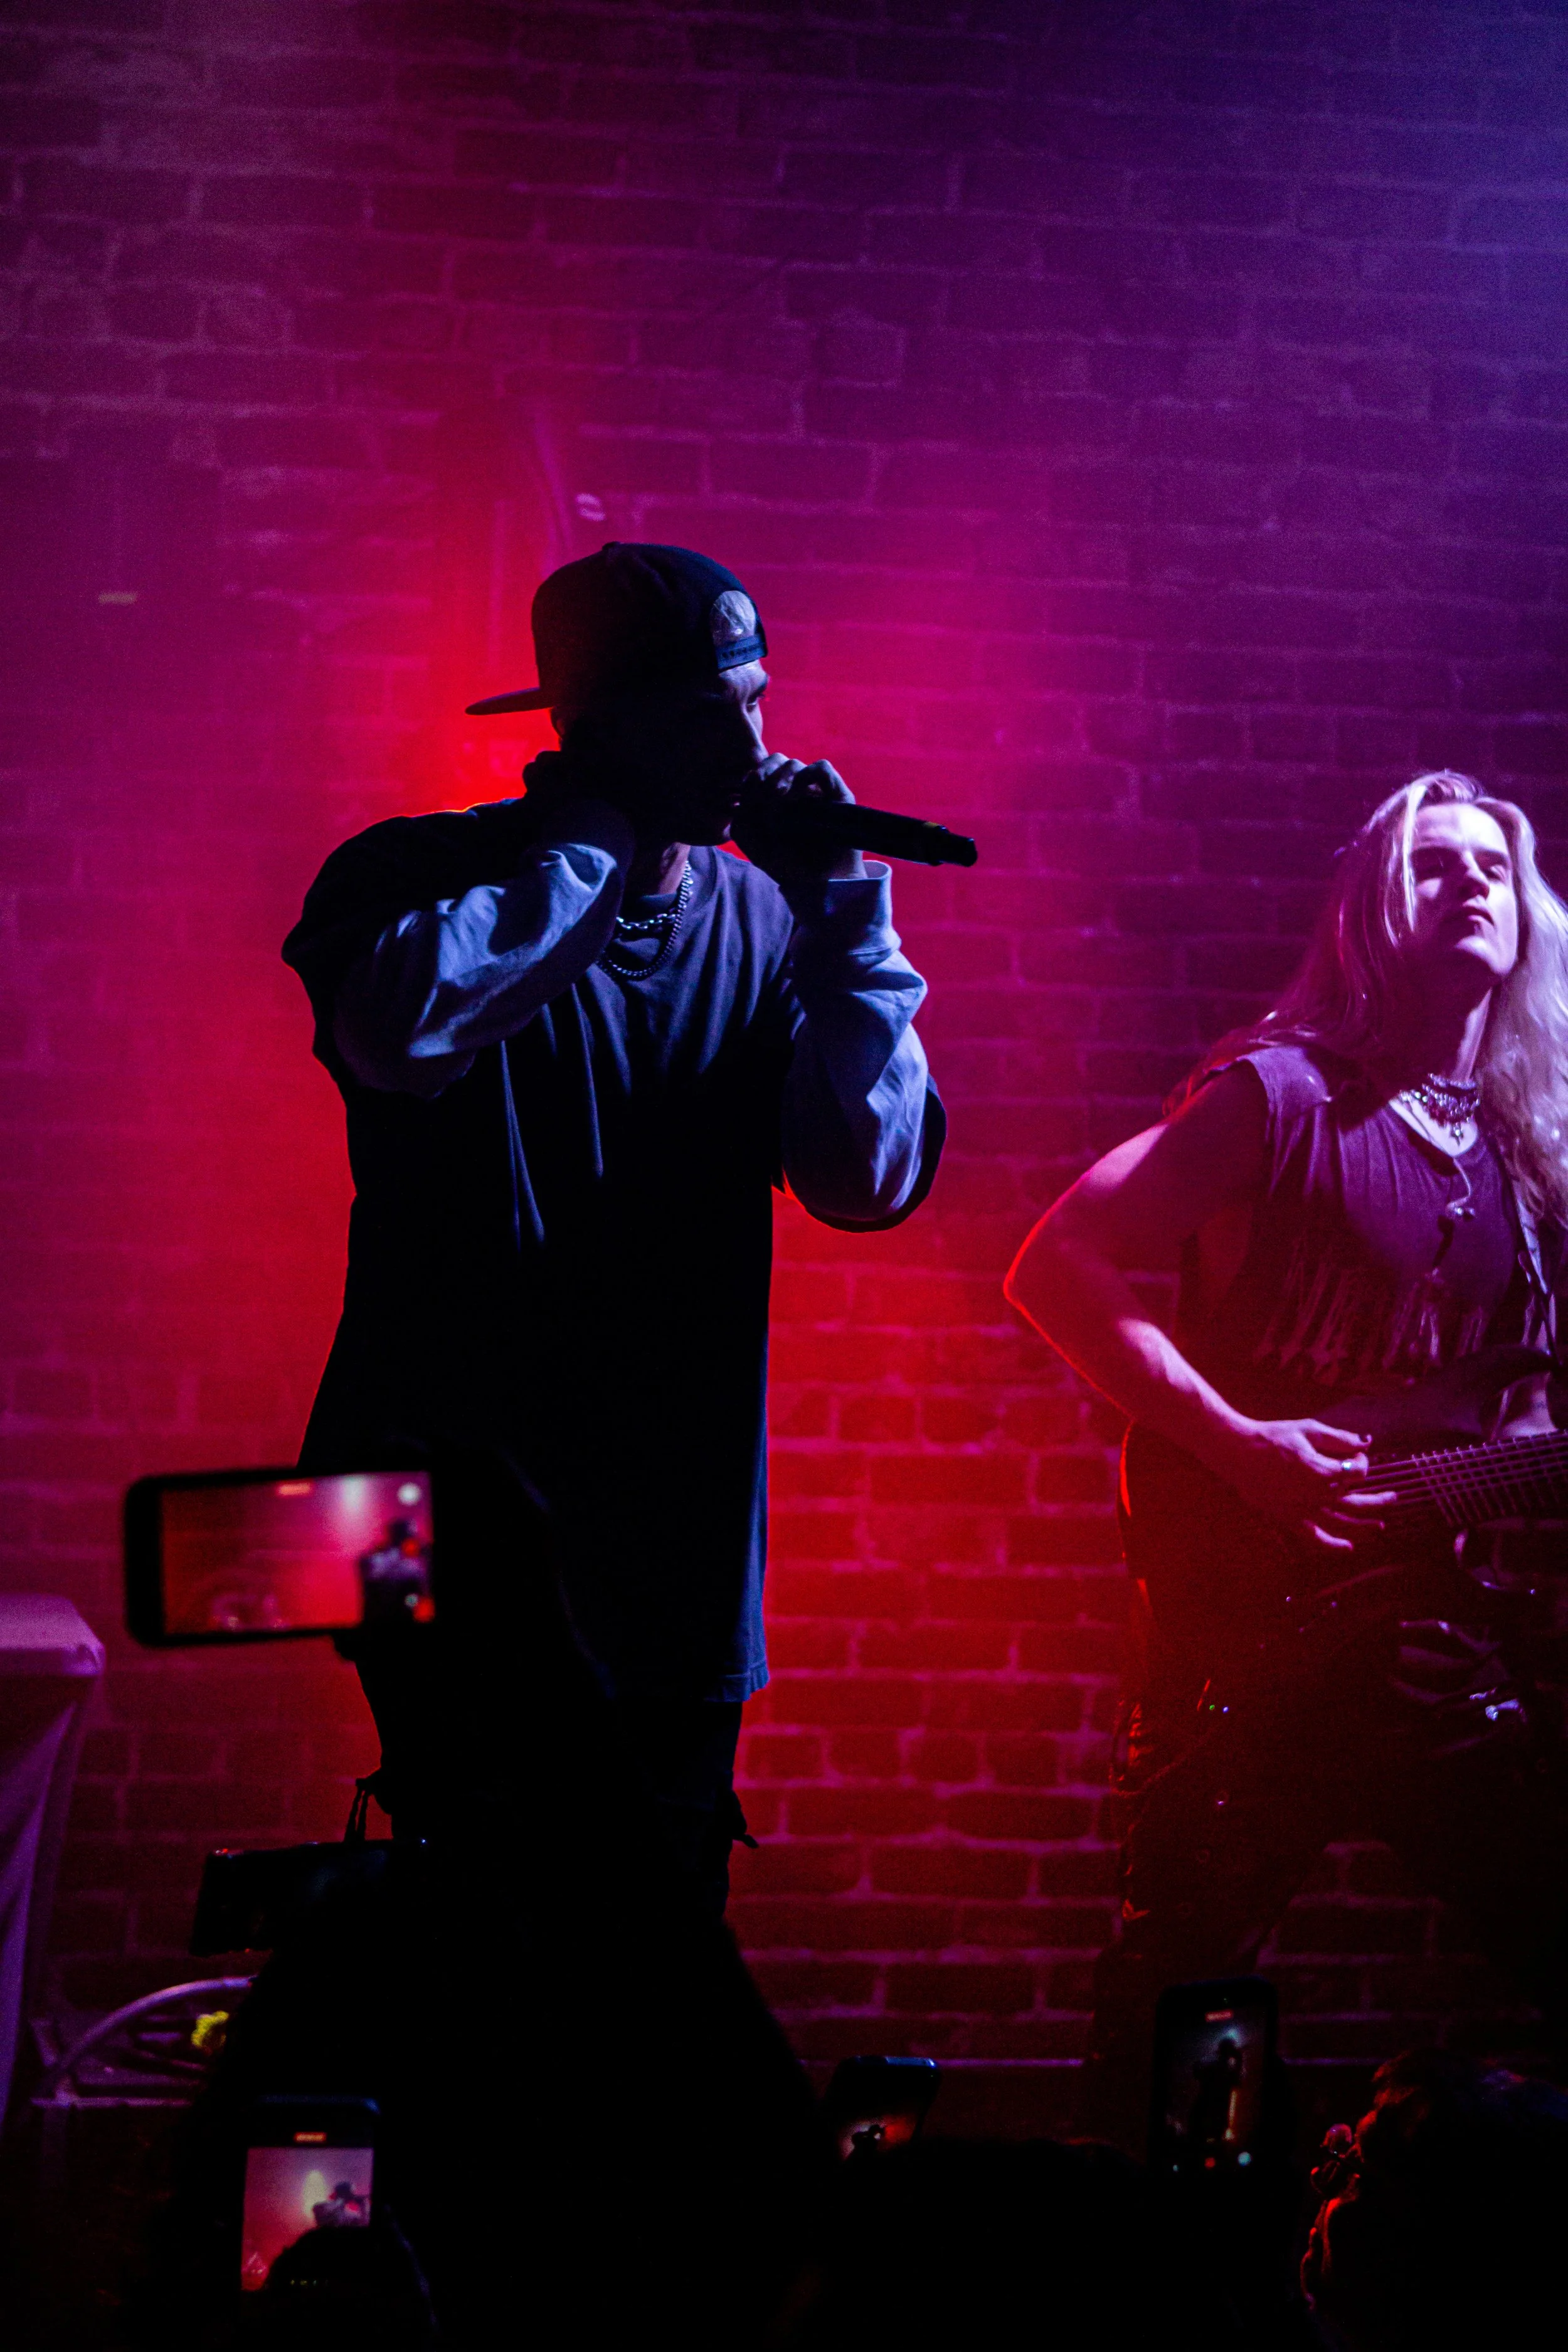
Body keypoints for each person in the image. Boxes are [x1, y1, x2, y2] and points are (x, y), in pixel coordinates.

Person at [283, 542, 942, 1910]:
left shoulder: (764, 922)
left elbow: (868, 1182)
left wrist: (844, 922)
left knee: (651, 1957)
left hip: (673, 1541)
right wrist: (587, 846)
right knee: (473, 1925)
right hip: (426, 1523)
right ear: (592, 730)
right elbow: (402, 1031)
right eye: (703, 716)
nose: (749, 748)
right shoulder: (409, 877)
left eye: (755, 701)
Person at [1005, 770, 1568, 2141]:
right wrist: (1241, 1444)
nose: (1469, 882)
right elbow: (1058, 1263)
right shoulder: (1278, 1095)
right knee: (1180, 2011)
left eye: (1493, 866)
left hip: (1428, 1653)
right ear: (1371, 907)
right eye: (1432, 863)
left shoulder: (1520, 1158)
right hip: (1244, 1651)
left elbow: (1503, 1419)